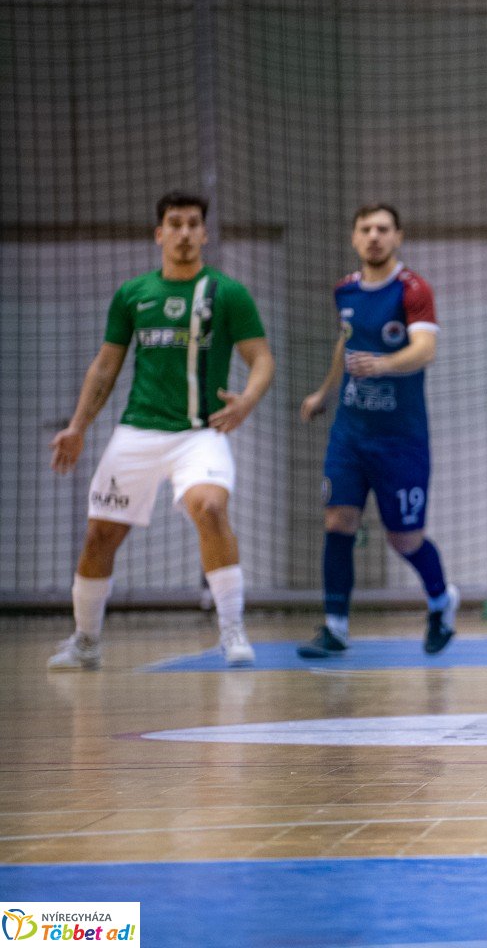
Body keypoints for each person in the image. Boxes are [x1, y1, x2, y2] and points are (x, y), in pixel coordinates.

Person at [48, 191, 274, 669]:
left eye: (193, 224)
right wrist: (77, 426)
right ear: (159, 234)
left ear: (205, 234)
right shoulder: (133, 294)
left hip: (200, 433)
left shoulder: (227, 293)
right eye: (175, 223)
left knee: (211, 508)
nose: (184, 233)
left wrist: (248, 399)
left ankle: (232, 631)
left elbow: (261, 359)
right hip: (138, 432)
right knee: (99, 536)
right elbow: (105, 367)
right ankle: (86, 641)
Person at [298, 203, 458, 657]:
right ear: (353, 237)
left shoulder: (413, 290)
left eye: (383, 229)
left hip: (401, 438)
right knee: (338, 520)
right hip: (350, 434)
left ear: (398, 237)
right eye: (365, 229)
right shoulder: (344, 290)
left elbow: (425, 349)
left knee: (403, 539)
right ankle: (335, 627)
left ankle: (441, 602)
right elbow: (346, 343)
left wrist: (384, 364)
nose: (374, 236)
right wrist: (324, 392)